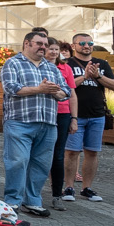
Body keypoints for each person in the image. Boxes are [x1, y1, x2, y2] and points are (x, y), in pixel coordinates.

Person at [0, 29, 66, 216]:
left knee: (42, 164)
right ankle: (12, 201)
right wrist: (40, 89)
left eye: (45, 45)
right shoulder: (13, 63)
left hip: (48, 123)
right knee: (17, 161)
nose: (43, 48)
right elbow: (11, 88)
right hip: (20, 121)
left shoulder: (51, 67)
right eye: (39, 44)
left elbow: (65, 92)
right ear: (27, 43)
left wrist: (53, 91)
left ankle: (32, 201)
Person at [62, 34, 112, 201]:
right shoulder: (67, 64)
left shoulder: (102, 63)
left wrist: (98, 75)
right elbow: (66, 87)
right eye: (82, 43)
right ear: (73, 45)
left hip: (97, 115)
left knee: (92, 152)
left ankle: (87, 187)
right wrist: (84, 76)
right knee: (72, 152)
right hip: (76, 115)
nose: (86, 46)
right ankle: (69, 187)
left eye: (90, 43)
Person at [45, 36, 78, 208]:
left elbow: (72, 95)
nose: (53, 52)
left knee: (58, 155)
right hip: (43, 113)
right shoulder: (37, 66)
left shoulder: (65, 68)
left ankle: (57, 194)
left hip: (62, 113)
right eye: (51, 48)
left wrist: (74, 118)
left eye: (56, 49)